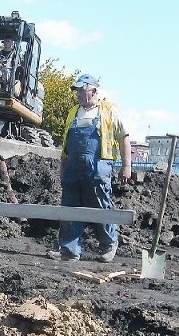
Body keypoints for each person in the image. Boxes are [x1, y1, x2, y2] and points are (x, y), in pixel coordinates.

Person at [48, 74, 131, 263]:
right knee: (70, 208)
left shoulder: (108, 111)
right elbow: (66, 146)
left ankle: (109, 245)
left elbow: (124, 137)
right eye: (76, 90)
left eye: (81, 90)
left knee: (101, 206)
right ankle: (69, 251)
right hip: (73, 168)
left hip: (98, 167)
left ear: (93, 90)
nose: (77, 94)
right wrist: (62, 168)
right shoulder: (73, 112)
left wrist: (126, 166)